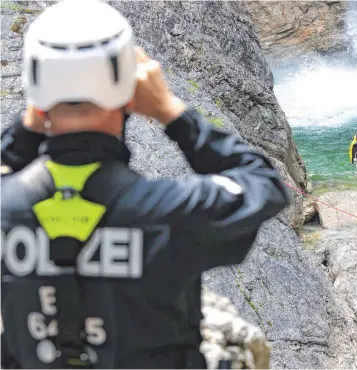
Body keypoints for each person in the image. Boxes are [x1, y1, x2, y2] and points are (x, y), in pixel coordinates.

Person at [0, 0, 290, 368]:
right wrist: (171, 110)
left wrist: (25, 131)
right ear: (128, 88)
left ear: (36, 94)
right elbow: (263, 184)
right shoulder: (169, 211)